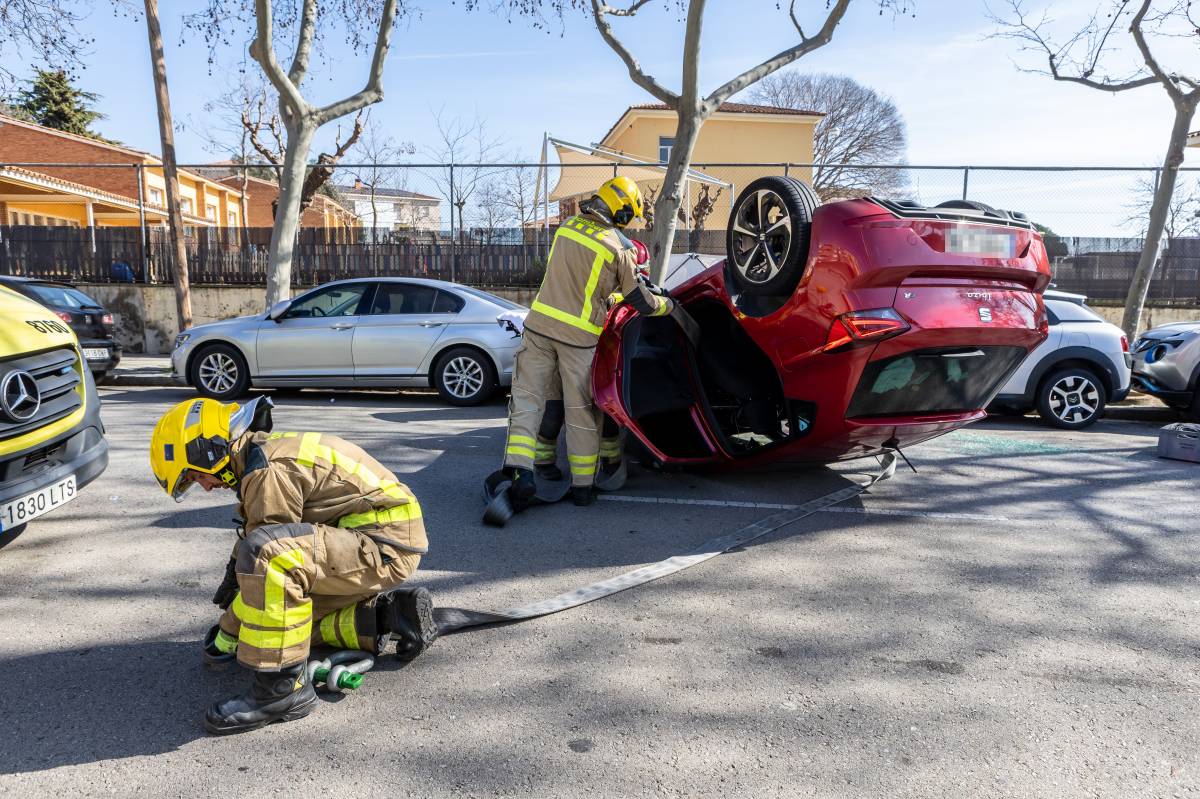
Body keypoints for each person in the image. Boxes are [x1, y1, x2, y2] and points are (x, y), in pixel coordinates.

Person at [149, 396, 438, 735]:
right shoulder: (259, 457)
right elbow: (260, 540)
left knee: (269, 576)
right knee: (284, 623)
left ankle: (281, 691)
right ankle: (390, 616)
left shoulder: (268, 470)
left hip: (380, 548)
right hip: (371, 544)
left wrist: (229, 630)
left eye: (196, 478)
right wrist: (235, 586)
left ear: (208, 451)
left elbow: (269, 554)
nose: (207, 487)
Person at [491, 175, 671, 519]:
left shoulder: (566, 229)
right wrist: (669, 306)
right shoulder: (616, 248)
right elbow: (641, 301)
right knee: (582, 414)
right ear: (621, 212)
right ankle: (583, 489)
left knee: (529, 403)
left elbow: (572, 280)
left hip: (539, 329)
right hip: (579, 340)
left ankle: (519, 472)